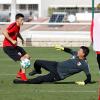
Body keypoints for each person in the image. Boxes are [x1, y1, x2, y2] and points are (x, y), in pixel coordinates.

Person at [13, 45, 91, 85]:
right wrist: (62, 48)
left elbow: (89, 77)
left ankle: (24, 82)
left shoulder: (84, 64)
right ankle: (37, 70)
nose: (78, 51)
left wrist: (85, 82)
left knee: (40, 79)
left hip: (58, 75)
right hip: (56, 65)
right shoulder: (76, 54)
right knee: (37, 62)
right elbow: (69, 50)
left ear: (83, 54)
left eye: (80, 50)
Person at [2, 13, 30, 81]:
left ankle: (20, 73)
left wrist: (21, 38)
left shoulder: (18, 26)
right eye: (21, 20)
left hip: (14, 46)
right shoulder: (13, 25)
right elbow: (4, 32)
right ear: (17, 20)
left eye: (23, 20)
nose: (23, 21)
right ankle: (23, 76)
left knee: (27, 56)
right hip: (8, 47)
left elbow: (17, 33)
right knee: (23, 59)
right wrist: (12, 40)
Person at [90, 3, 100, 71]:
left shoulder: (95, 17)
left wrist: (93, 40)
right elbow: (92, 30)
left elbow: (91, 31)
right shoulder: (96, 18)